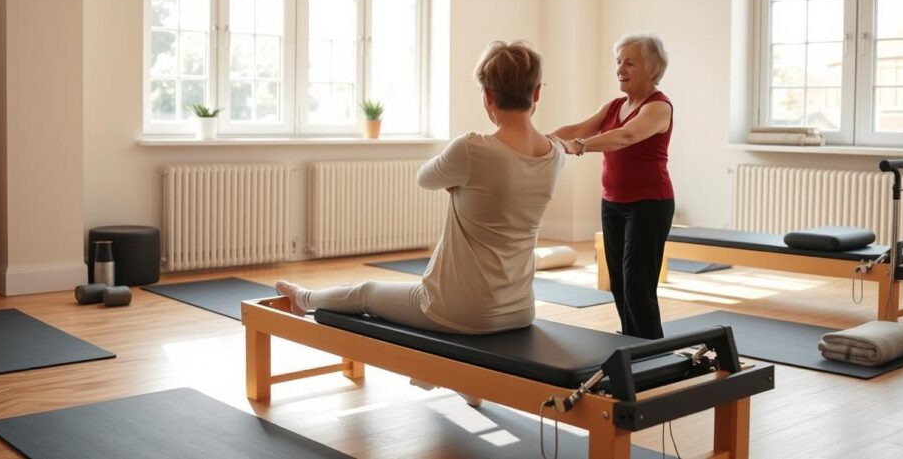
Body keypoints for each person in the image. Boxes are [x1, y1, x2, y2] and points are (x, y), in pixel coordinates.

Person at [276, 40, 565, 337]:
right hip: (521, 311)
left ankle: (303, 298)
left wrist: (460, 182)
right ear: (538, 92)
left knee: (365, 292)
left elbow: (425, 178)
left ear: (488, 96)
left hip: (457, 310)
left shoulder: (472, 149)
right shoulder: (555, 156)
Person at [551, 33, 673, 339]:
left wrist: (579, 146)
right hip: (613, 203)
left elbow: (625, 137)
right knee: (618, 280)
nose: (620, 68)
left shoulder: (658, 108)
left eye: (630, 62)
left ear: (652, 68)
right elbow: (578, 128)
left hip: (649, 204)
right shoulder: (615, 105)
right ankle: (633, 341)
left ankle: (651, 349)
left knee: (637, 282)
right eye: (618, 61)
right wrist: (538, 141)